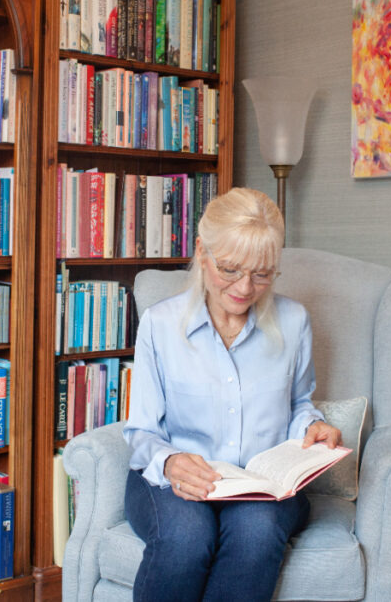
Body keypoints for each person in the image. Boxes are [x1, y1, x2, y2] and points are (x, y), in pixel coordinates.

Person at [123, 187, 342, 602]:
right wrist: (169, 462)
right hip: (172, 481)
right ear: (203, 252)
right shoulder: (160, 325)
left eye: (262, 274)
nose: (245, 287)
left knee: (256, 533)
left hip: (263, 486)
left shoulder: (294, 322)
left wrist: (313, 426)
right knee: (187, 537)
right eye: (230, 269)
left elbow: (298, 404)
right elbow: (141, 430)